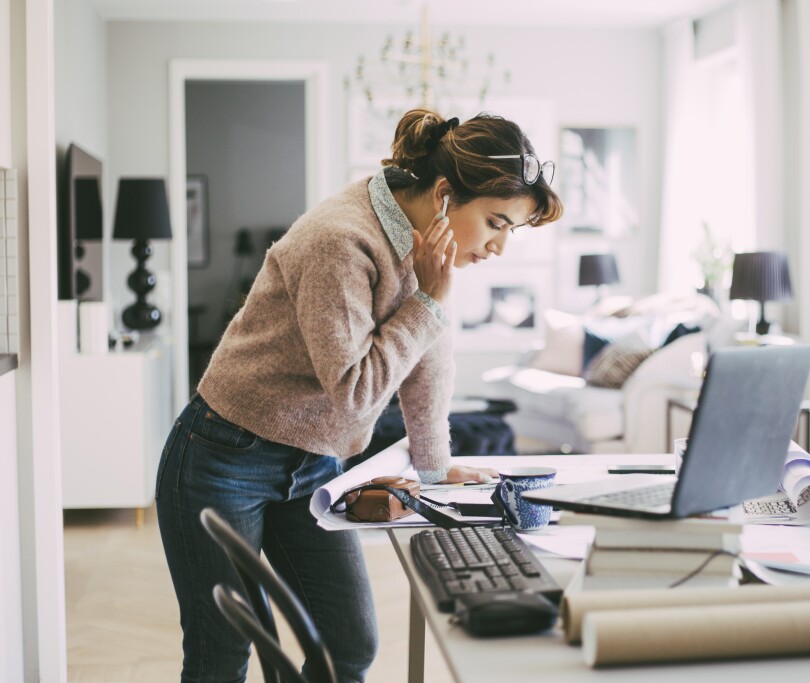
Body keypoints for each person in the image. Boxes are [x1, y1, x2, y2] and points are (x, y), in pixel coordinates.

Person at [155, 108, 562, 683]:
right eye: (496, 222)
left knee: (350, 643)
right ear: (445, 194)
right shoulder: (339, 241)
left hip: (312, 462)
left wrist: (435, 466)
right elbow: (353, 393)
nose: (499, 247)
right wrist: (429, 302)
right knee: (224, 652)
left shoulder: (424, 243)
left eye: (509, 230)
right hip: (223, 457)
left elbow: (428, 356)